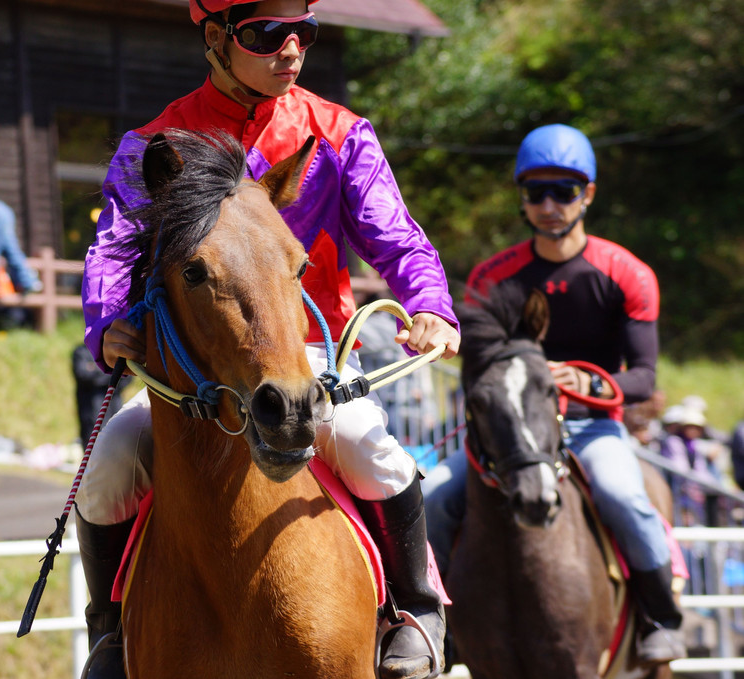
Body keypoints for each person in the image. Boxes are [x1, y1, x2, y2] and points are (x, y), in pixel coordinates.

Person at [78, 2, 461, 678]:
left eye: (303, 33)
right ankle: (110, 633)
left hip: (309, 357)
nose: (289, 49)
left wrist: (429, 304)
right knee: (106, 464)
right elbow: (113, 249)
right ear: (216, 38)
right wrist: (109, 320)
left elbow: (399, 239)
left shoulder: (340, 133)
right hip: (195, 367)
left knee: (378, 455)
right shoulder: (155, 144)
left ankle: (417, 611)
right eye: (265, 35)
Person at [422, 123, 685, 664]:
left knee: (624, 497)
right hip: (510, 432)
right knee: (430, 502)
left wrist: (586, 381)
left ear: (587, 195)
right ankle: (433, 627)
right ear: (522, 197)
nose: (548, 204)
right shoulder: (494, 277)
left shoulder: (625, 273)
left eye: (562, 191)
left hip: (590, 426)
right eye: (535, 191)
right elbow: (478, 367)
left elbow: (644, 377)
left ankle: (661, 617)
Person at [71, 343, 129, 445]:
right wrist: (112, 373)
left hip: (115, 413)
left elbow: (127, 378)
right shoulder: (81, 352)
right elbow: (83, 375)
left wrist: (96, 370)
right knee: (93, 451)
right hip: (90, 415)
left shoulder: (116, 352)